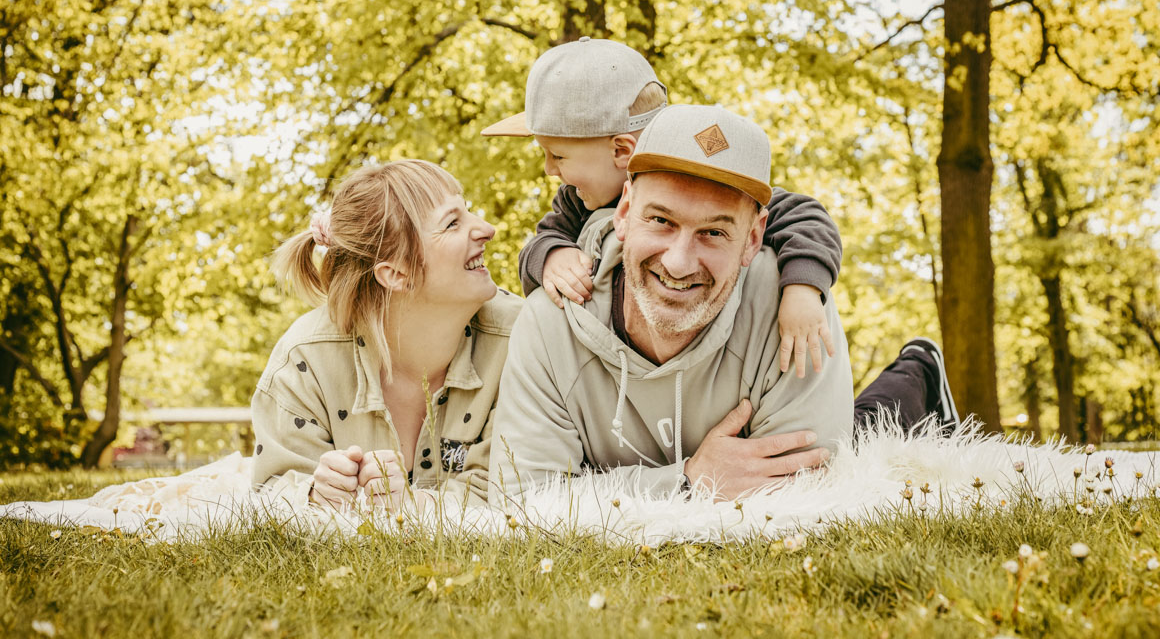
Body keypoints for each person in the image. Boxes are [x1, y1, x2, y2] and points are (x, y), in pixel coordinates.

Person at [488, 105, 958, 504]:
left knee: (866, 433)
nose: (678, 262)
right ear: (626, 211)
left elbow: (806, 495)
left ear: (753, 238)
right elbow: (524, 503)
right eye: (661, 220)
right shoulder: (550, 321)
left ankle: (918, 373)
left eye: (713, 232)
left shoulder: (794, 309)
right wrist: (691, 481)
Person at [482, 37, 842, 377]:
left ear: (622, 151)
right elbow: (541, 241)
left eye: (558, 155)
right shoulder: (576, 201)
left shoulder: (703, 185)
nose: (549, 168)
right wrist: (551, 254)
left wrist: (803, 291)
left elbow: (805, 216)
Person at [251, 160, 522, 510]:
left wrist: (416, 504)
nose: (487, 228)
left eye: (468, 213)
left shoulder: (518, 341)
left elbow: (518, 487)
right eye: (453, 223)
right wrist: (315, 494)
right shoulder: (306, 359)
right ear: (396, 273)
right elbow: (270, 489)